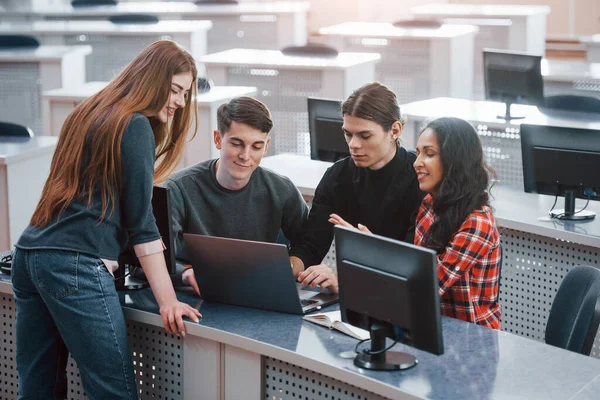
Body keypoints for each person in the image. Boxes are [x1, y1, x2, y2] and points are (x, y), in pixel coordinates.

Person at [11, 40, 202, 399]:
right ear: (152, 79)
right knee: (113, 392)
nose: (179, 101)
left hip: (30, 255)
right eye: (175, 89)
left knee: (38, 390)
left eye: (185, 93)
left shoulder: (87, 112)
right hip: (74, 266)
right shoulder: (134, 125)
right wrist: (167, 300)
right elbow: (142, 224)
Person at [163, 96, 309, 295]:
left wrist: (291, 268)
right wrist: (185, 274)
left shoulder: (281, 189)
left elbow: (308, 245)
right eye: (237, 144)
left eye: (256, 147)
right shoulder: (178, 189)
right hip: (195, 295)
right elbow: (144, 261)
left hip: (258, 293)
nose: (246, 156)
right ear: (217, 139)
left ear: (266, 146)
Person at [293, 82, 424, 293]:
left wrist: (359, 259)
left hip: (401, 297)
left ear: (395, 131)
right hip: (360, 296)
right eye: (348, 134)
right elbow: (311, 246)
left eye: (364, 136)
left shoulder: (419, 180)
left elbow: (412, 266)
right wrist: (288, 267)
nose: (353, 144)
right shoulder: (337, 176)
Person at [412, 117, 501, 329]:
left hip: (473, 340)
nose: (417, 163)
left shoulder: (477, 223)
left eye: (429, 154)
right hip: (436, 327)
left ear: (454, 161)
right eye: (418, 153)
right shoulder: (429, 204)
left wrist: (378, 258)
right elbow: (417, 268)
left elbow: (425, 287)